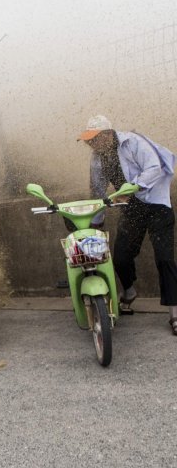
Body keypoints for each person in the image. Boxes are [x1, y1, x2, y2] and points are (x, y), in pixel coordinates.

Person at [78, 115, 177, 333]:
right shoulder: (97, 158)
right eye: (88, 140)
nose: (91, 144)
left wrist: (135, 186)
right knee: (121, 256)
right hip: (132, 209)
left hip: (157, 204)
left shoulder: (133, 142)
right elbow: (97, 190)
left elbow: (155, 167)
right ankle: (129, 292)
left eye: (94, 139)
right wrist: (96, 221)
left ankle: (174, 315)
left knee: (164, 258)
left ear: (107, 134)